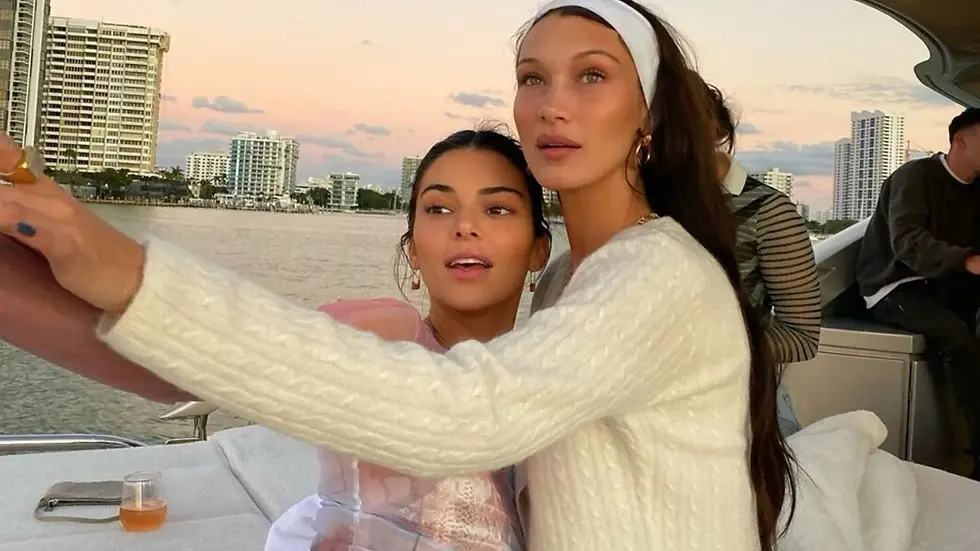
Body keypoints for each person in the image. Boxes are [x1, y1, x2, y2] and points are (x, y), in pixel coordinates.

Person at [0, 0, 796, 549]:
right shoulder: (573, 286)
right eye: (532, 77)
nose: (554, 104)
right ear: (410, 243)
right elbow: (193, 369)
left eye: (592, 76)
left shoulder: (658, 274)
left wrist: (123, 264)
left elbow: (460, 412)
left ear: (648, 113)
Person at [267, 127, 550, 551]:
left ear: (538, 250)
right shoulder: (391, 335)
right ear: (412, 250)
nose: (466, 226)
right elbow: (259, 345)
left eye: (496, 209)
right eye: (438, 209)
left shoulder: (552, 387)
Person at [855, 106, 980, 478]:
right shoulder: (915, 176)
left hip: (945, 284)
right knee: (959, 338)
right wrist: (968, 261)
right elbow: (908, 242)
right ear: (960, 140)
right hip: (895, 287)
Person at [707, 82, 821, 436]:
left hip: (744, 404)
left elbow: (801, 335)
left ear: (717, 130)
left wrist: (705, 356)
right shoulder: (644, 201)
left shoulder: (769, 211)